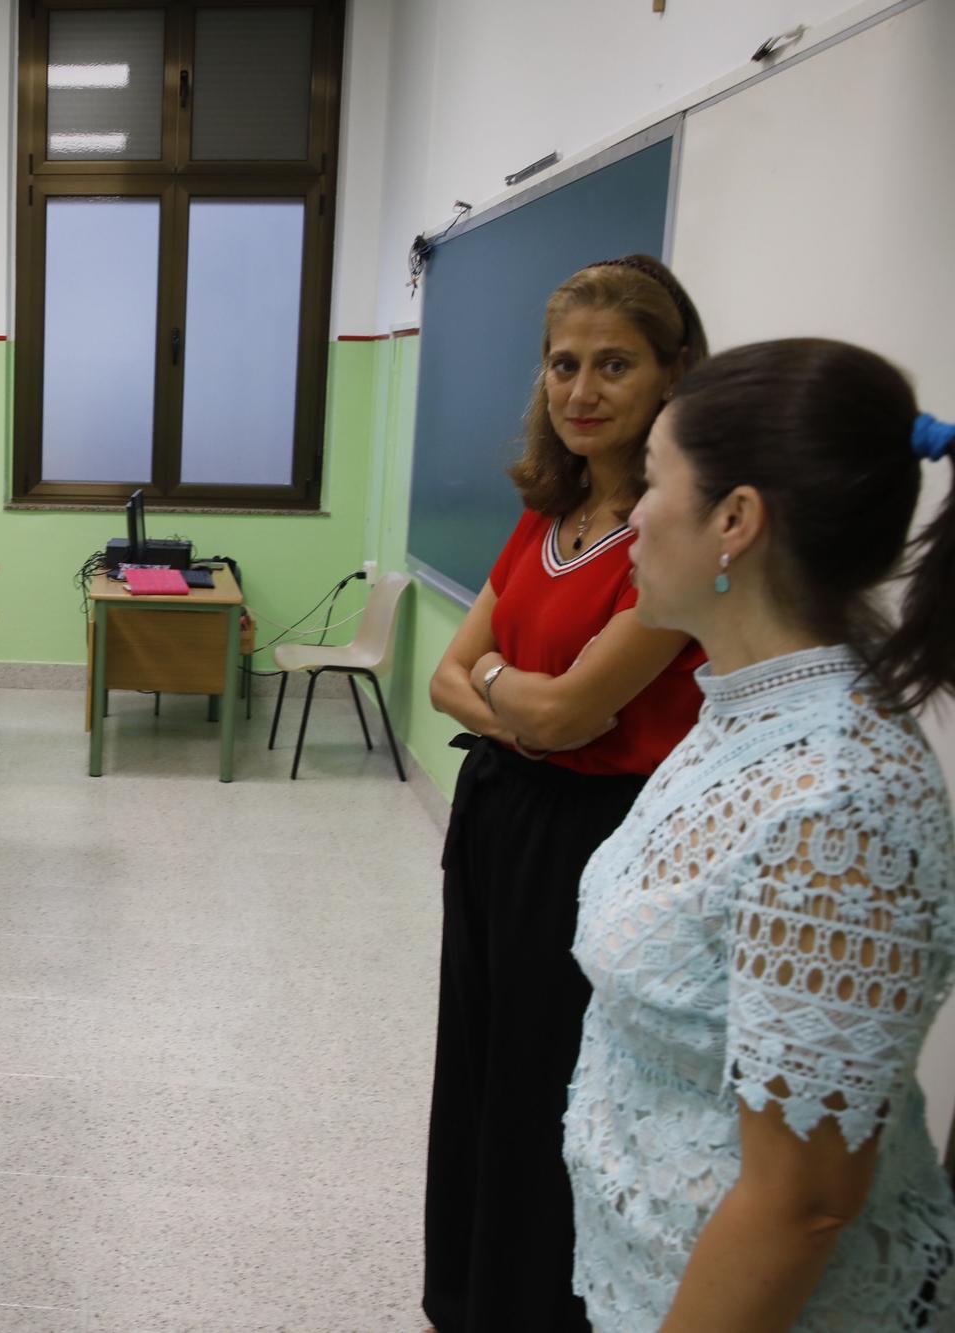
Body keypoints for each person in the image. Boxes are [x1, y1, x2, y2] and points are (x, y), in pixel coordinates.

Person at [564, 340, 955, 1331]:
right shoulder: (743, 709)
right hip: (647, 1268)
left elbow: (802, 1201)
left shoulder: (835, 802)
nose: (629, 515)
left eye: (651, 481)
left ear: (733, 520)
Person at [422, 255, 711, 1333]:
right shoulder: (547, 512)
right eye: (561, 366)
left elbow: (568, 717)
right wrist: (514, 696)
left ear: (672, 373)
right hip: (497, 816)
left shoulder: (676, 533)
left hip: (596, 839)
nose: (581, 391)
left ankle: (537, 1307)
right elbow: (449, 676)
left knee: (556, 1084)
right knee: (481, 1066)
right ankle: (467, 1293)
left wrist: (503, 692)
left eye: (613, 365)